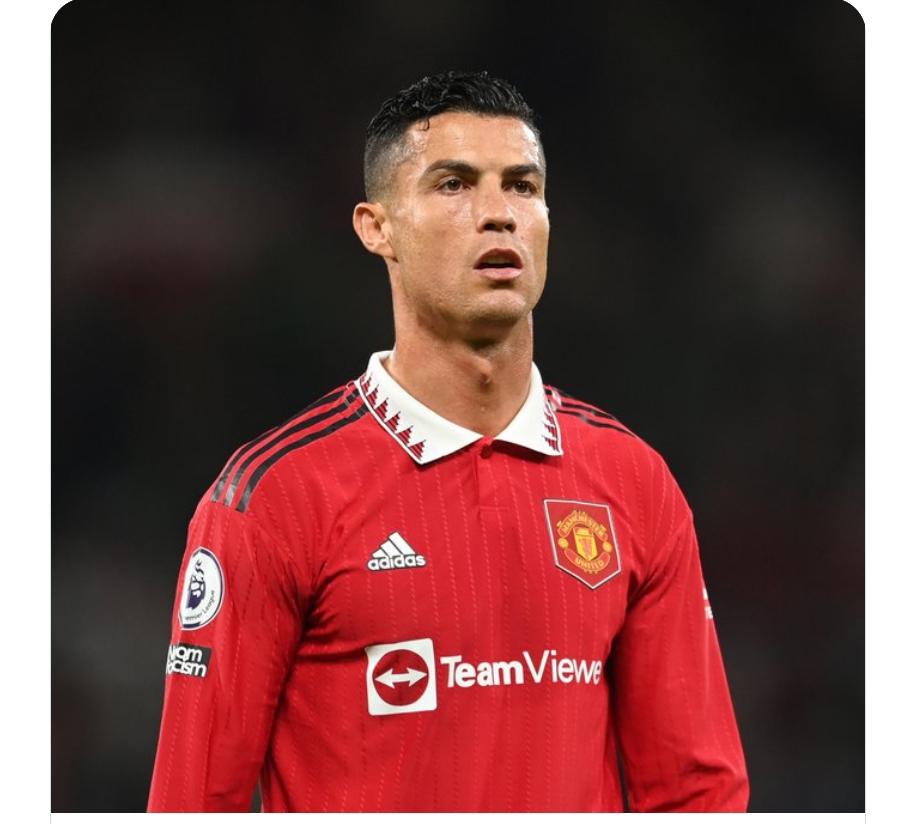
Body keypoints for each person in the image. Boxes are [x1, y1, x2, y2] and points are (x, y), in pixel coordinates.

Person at [147, 70, 749, 812]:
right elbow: (193, 799)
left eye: (522, 187)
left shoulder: (633, 481)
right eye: (454, 185)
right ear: (377, 228)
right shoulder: (275, 497)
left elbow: (696, 792)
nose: (498, 214)